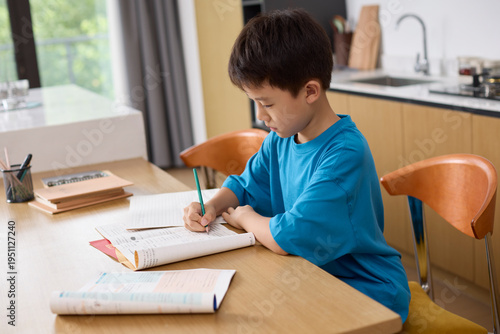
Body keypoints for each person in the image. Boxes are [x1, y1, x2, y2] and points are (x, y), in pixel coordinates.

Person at [183, 8, 410, 322]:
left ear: (310, 91)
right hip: (312, 275)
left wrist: (247, 218)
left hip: (367, 291)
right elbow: (246, 185)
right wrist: (210, 205)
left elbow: (288, 235)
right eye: (255, 103)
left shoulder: (344, 153)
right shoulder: (281, 137)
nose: (260, 116)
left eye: (267, 104)